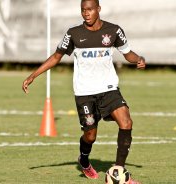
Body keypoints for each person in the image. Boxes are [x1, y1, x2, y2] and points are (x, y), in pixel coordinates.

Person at [22, 0, 145, 183]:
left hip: (108, 88)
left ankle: (119, 171)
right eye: (83, 10)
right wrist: (33, 75)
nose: (86, 13)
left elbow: (127, 53)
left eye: (89, 10)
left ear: (98, 9)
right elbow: (56, 57)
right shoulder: (73, 34)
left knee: (126, 122)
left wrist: (138, 59)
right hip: (85, 92)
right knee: (90, 135)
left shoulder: (114, 31)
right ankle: (84, 159)